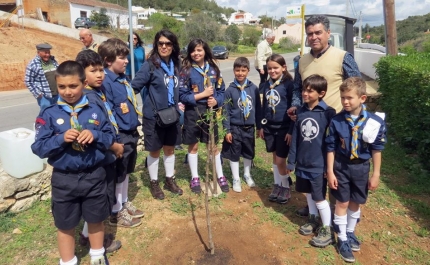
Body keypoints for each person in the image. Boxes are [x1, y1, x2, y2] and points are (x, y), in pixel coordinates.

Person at [31, 61, 115, 265]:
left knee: (96, 219)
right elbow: (39, 148)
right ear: (57, 86)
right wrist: (60, 139)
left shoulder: (95, 109)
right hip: (64, 179)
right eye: (62, 87)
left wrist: (94, 134)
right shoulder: (49, 114)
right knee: (65, 224)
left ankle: (97, 256)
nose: (67, 92)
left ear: (84, 83)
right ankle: (68, 261)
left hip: (94, 175)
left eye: (73, 86)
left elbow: (110, 136)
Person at [292, 15, 361, 217]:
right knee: (313, 165)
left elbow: (355, 88)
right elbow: (297, 89)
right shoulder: (301, 61)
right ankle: (315, 202)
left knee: (333, 169)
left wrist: (354, 118)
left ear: (328, 33)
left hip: (336, 125)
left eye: (318, 32)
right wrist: (296, 106)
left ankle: (335, 210)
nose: (313, 37)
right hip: (310, 124)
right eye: (310, 34)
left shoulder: (342, 57)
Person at [326, 77, 386, 263]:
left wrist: (375, 174)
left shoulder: (374, 122)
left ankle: (350, 232)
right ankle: (342, 238)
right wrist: (330, 171)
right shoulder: (336, 121)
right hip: (341, 166)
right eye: (343, 97)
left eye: (349, 98)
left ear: (362, 98)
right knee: (342, 202)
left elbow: (377, 149)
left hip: (361, 168)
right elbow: (330, 148)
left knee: (356, 201)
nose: (345, 101)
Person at [75, 49, 124, 253]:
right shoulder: (88, 99)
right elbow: (93, 134)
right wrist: (114, 146)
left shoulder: (98, 92)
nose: (99, 74)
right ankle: (99, 240)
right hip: (101, 156)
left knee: (101, 200)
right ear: (81, 75)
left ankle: (86, 235)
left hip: (106, 154)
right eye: (93, 71)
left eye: (101, 70)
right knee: (99, 203)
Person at [131, 29, 183, 200]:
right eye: (160, 43)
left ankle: (169, 179)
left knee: (170, 149)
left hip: (172, 115)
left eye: (168, 43)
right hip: (154, 117)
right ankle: (154, 182)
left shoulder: (177, 64)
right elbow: (134, 87)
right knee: (154, 150)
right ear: (156, 45)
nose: (164, 46)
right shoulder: (150, 65)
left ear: (173, 46)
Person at [286, 74, 336, 247]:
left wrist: (329, 167)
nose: (305, 94)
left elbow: (331, 143)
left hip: (318, 164)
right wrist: (291, 161)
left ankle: (327, 228)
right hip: (303, 162)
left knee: (319, 196)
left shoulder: (328, 113)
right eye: (303, 90)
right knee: (307, 193)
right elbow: (296, 138)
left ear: (321, 93)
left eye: (309, 91)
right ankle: (313, 219)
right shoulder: (300, 111)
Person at [98, 38, 143, 228]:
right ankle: (116, 212)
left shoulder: (123, 78)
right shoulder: (106, 82)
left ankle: (123, 202)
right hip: (120, 136)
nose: (126, 61)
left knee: (125, 172)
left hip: (130, 132)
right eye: (122, 58)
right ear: (108, 60)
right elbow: (108, 114)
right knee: (118, 174)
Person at [179, 38, 227, 194]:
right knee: (193, 145)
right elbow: (182, 95)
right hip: (193, 111)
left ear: (205, 50)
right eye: (193, 50)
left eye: (199, 50)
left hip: (210, 112)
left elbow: (221, 91)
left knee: (212, 146)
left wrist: (216, 101)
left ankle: (220, 175)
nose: (196, 53)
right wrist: (202, 95)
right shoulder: (186, 70)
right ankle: (195, 178)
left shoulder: (213, 69)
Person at [221, 57, 261, 193]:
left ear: (248, 71)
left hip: (249, 127)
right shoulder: (230, 90)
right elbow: (225, 112)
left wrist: (259, 126)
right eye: (237, 70)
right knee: (235, 153)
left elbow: (258, 109)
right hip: (235, 128)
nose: (240, 73)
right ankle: (236, 177)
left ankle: (247, 174)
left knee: (248, 152)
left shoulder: (254, 89)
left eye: (243, 70)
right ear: (233, 71)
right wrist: (227, 130)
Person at [259, 54, 294, 204]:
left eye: (275, 68)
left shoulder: (289, 85)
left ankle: (286, 187)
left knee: (281, 160)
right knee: (274, 157)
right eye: (269, 68)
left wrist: (291, 131)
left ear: (283, 68)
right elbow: (264, 107)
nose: (272, 71)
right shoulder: (267, 84)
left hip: (283, 128)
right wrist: (261, 126)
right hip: (270, 127)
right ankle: (277, 185)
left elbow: (294, 111)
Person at [25, 43, 59, 111]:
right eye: (45, 53)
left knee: (58, 115)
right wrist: (38, 94)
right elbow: (28, 81)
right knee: (47, 115)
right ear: (38, 53)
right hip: (45, 97)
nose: (47, 55)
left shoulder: (53, 61)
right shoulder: (33, 64)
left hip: (57, 95)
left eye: (48, 52)